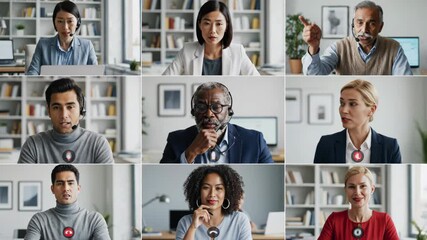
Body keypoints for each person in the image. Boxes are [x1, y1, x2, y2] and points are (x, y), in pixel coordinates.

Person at [160, 82, 273, 164]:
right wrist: (191, 152)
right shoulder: (175, 139)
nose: (209, 114)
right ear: (193, 111)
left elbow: (270, 178)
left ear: (229, 111)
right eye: (201, 107)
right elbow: (163, 178)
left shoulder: (254, 140)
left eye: (216, 107)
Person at [299, 1, 412, 75]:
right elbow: (314, 74)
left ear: (380, 27)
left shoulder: (394, 48)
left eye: (371, 23)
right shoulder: (339, 47)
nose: (364, 30)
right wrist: (313, 47)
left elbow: (404, 80)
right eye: (360, 22)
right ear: (353, 24)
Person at [18, 78, 113, 163]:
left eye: (70, 107)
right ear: (49, 111)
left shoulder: (98, 143)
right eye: (56, 107)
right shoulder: (32, 144)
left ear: (81, 109)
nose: (64, 115)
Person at [314, 79, 401, 163]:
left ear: (371, 110)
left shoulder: (390, 146)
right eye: (342, 103)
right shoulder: (326, 144)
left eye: (353, 104)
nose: (344, 110)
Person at [162, 1, 259, 75]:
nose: (213, 30)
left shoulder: (238, 51)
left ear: (227, 26)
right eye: (207, 23)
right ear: (200, 25)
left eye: (219, 24)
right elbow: (164, 80)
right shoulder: (187, 51)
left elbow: (257, 82)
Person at [24, 164, 110, 240]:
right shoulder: (39, 220)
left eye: (70, 183)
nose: (66, 188)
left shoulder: (95, 219)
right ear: (52, 189)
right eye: (60, 183)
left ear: (78, 188)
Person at [318, 166, 399, 240]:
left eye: (363, 186)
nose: (357, 192)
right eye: (351, 187)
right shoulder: (334, 219)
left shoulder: (384, 220)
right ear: (345, 190)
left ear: (372, 189)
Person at [176, 165, 252, 240]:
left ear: (227, 193)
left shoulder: (240, 220)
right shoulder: (185, 222)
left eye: (218, 188)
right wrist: (193, 227)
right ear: (198, 191)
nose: (212, 194)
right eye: (206, 187)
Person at [27, 0, 97, 75]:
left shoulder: (87, 46)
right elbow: (32, 73)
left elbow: (96, 75)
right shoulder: (43, 45)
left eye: (70, 21)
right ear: (54, 23)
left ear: (77, 22)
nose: (65, 27)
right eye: (60, 21)